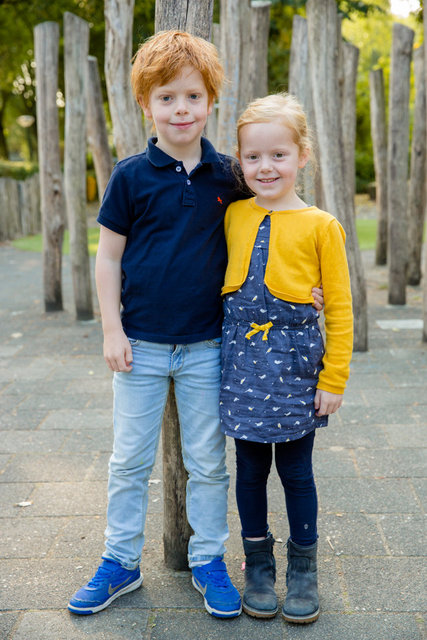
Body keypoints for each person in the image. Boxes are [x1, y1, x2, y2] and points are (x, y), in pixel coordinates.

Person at [67, 31, 323, 620]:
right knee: (128, 459)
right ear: (146, 104)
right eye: (166, 98)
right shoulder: (130, 176)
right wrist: (111, 330)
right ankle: (120, 561)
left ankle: (209, 559)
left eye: (192, 96)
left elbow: (275, 221)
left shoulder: (229, 174)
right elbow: (108, 257)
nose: (180, 109)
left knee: (208, 461)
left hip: (211, 346)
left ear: (211, 102)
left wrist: (301, 286)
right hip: (141, 346)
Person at [220, 93, 353, 624]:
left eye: (278, 154)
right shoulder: (231, 214)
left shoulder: (323, 225)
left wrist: (335, 378)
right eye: (252, 157)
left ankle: (303, 567)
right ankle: (257, 564)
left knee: (297, 472)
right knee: (248, 469)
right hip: (241, 364)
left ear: (302, 156)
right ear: (240, 162)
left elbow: (340, 309)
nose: (265, 166)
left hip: (297, 367)